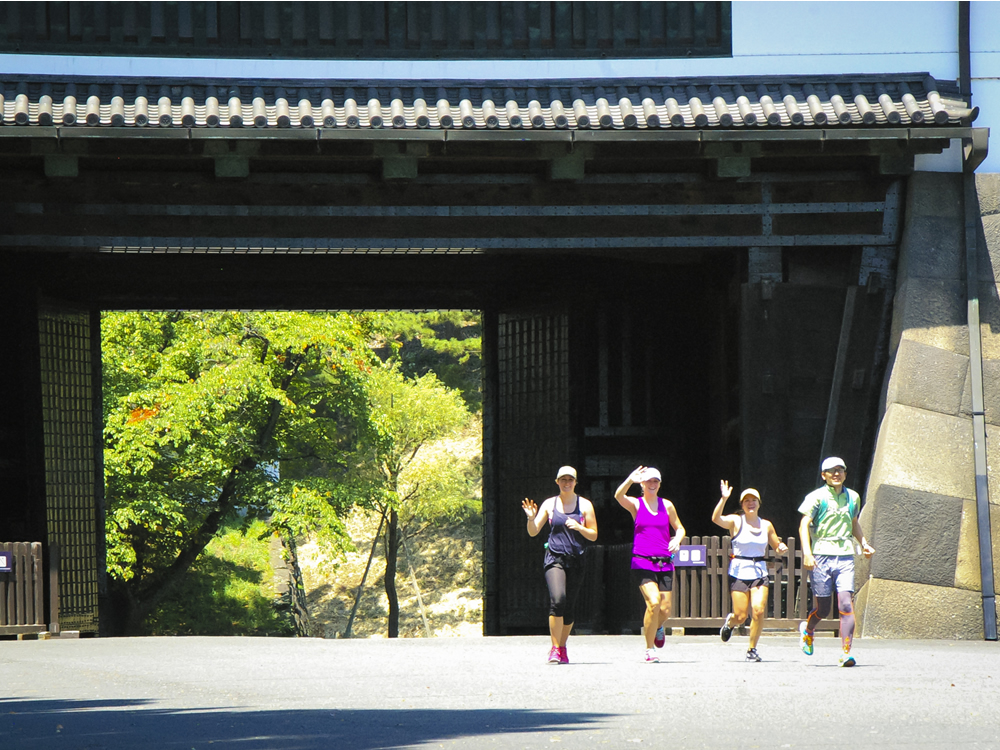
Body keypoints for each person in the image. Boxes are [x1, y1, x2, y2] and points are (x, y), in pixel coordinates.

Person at [798, 457, 875, 667]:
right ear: (823, 475)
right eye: (831, 471)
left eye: (840, 470)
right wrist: (807, 552)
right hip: (821, 554)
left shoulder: (853, 497)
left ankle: (846, 652)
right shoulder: (817, 497)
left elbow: (853, 523)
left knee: (845, 603)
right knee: (822, 608)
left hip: (845, 555)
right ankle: (809, 629)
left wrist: (864, 543)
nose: (836, 474)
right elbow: (803, 524)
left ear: (845, 473)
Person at [522, 465, 598, 665]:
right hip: (555, 558)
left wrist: (580, 527)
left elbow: (594, 534)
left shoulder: (585, 505)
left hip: (576, 559)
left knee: (569, 607)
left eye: (570, 480)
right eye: (563, 480)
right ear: (557, 482)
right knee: (558, 599)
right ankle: (555, 648)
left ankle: (562, 647)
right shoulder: (550, 504)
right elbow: (533, 531)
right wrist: (531, 518)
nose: (567, 483)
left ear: (575, 482)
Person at [615, 465, 686, 663]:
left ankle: (657, 627)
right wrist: (630, 479)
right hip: (642, 560)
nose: (652, 484)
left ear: (660, 484)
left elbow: (680, 528)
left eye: (655, 481)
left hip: (665, 562)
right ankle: (649, 649)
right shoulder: (636, 505)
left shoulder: (667, 505)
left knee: (665, 610)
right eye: (648, 481)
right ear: (642, 484)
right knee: (653, 602)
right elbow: (618, 496)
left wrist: (676, 539)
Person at [711, 480, 788, 662]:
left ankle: (752, 649)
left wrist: (781, 547)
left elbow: (776, 544)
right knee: (741, 615)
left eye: (754, 500)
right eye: (746, 500)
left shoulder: (766, 525)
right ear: (742, 504)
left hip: (759, 571)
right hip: (739, 570)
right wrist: (723, 499)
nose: (750, 503)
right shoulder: (736, 521)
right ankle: (730, 623)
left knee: (759, 610)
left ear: (759, 504)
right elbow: (716, 519)